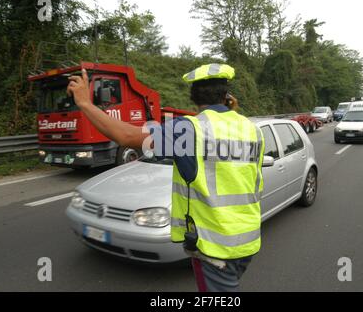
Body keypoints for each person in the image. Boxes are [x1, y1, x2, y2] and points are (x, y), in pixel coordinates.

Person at [67, 63, 265, 292]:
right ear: (226, 95)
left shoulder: (190, 129)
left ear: (192, 95)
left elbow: (126, 135)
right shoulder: (252, 129)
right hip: (248, 240)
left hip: (215, 246)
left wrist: (84, 103)